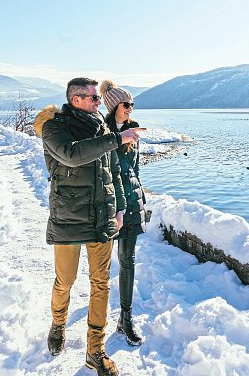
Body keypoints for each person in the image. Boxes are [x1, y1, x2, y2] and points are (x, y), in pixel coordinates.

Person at [32, 77, 143, 376]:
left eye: (98, 98)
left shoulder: (102, 127)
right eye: (94, 98)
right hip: (69, 217)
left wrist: (119, 207)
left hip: (101, 218)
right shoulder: (54, 128)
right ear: (76, 99)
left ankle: (95, 350)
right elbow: (73, 154)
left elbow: (114, 171)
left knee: (101, 283)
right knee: (65, 281)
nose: (98, 103)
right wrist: (119, 138)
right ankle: (58, 322)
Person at [100, 79, 147, 346]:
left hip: (130, 203)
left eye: (132, 104)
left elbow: (135, 169)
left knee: (127, 260)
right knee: (102, 265)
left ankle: (125, 318)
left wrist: (140, 198)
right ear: (114, 106)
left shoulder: (134, 131)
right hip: (106, 205)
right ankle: (96, 318)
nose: (130, 109)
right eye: (126, 104)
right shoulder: (101, 132)